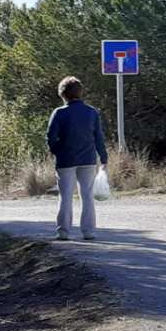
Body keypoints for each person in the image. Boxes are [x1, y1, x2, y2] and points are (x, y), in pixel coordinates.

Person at [46, 76, 109, 241]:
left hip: (66, 160)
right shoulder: (91, 112)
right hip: (88, 159)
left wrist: (58, 152)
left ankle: (63, 231)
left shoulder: (59, 113)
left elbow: (51, 137)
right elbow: (98, 137)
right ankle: (88, 231)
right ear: (80, 93)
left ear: (63, 94)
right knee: (87, 195)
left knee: (65, 196)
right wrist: (103, 158)